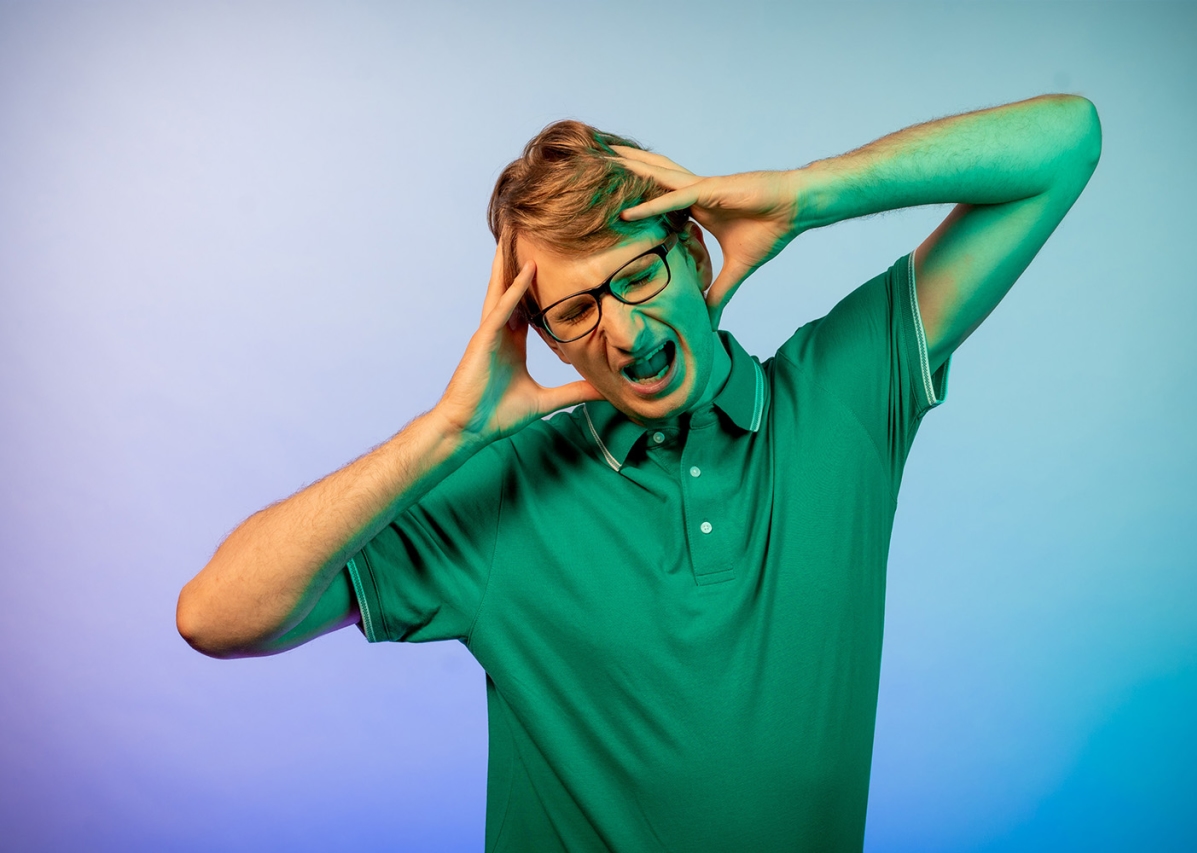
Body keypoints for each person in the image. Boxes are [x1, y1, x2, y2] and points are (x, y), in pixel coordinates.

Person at [177, 94, 1101, 852]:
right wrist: (448, 432)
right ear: (540, 338)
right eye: (575, 310)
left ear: (696, 253)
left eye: (639, 275)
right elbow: (217, 616)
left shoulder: (842, 402)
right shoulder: (504, 490)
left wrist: (804, 196)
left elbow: (1064, 143)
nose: (620, 329)